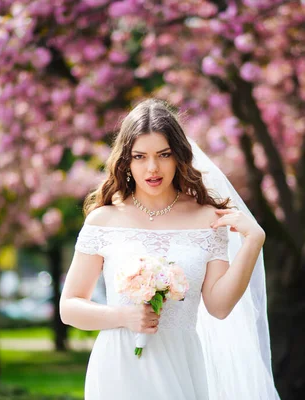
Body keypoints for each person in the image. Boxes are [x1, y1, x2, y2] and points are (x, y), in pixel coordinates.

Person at [59, 99, 280, 399]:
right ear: (126, 161)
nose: (152, 168)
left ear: (179, 156)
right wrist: (123, 317)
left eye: (163, 155)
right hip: (118, 368)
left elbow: (219, 306)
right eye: (140, 156)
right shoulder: (104, 219)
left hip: (179, 364)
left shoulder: (206, 219)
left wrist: (253, 241)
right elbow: (69, 306)